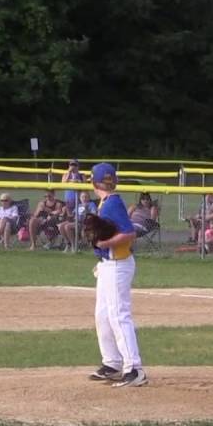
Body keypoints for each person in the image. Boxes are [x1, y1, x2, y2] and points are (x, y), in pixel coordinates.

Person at [86, 163, 147, 387]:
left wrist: (104, 243)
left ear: (94, 182)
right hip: (108, 265)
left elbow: (129, 233)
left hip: (117, 265)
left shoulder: (112, 204)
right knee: (102, 315)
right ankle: (112, 363)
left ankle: (134, 369)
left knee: (119, 315)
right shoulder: (107, 202)